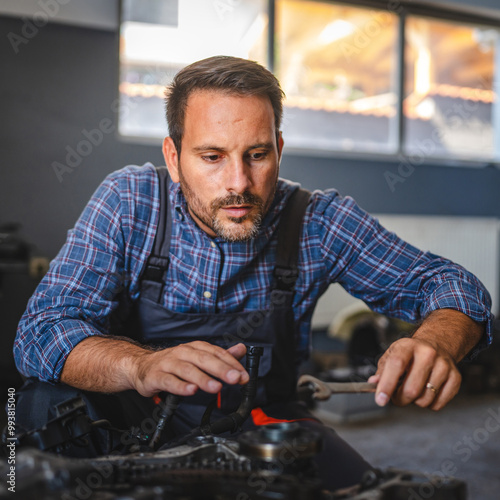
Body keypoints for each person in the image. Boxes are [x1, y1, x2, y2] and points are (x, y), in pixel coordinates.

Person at [14, 56, 492, 490]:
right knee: (41, 422)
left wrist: (437, 341)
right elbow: (40, 332)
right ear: (173, 157)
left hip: (265, 425)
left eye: (257, 154)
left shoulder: (318, 221)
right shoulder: (129, 202)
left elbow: (451, 285)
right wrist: (139, 365)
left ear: (279, 148)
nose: (239, 183)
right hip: (132, 420)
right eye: (212, 157)